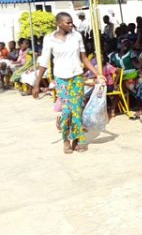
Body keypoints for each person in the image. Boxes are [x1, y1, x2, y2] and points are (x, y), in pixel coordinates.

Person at [33, 12, 105, 154]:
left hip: (77, 77)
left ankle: (78, 139)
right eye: (68, 23)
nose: (71, 25)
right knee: (66, 111)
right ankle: (65, 139)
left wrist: (97, 74)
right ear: (59, 23)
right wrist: (37, 84)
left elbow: (83, 58)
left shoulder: (77, 36)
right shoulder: (49, 39)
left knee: (77, 109)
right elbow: (44, 62)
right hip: (61, 79)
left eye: (72, 22)